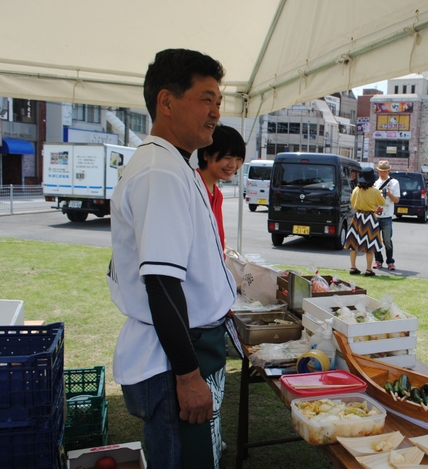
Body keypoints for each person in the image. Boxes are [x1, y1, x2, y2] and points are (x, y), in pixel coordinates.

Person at [107, 49, 236, 469]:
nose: (216, 112)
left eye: (219, 101)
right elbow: (162, 282)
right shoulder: (160, 171)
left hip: (184, 349)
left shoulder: (174, 164)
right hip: (171, 359)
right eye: (206, 98)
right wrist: (187, 375)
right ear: (166, 101)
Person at [196, 125, 246, 251]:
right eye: (227, 158)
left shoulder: (217, 194)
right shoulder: (191, 188)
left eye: (239, 159)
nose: (233, 165)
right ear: (206, 154)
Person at [344, 167, 386, 276]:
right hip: (370, 218)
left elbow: (352, 203)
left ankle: (353, 267)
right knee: (370, 245)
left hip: (357, 217)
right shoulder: (375, 191)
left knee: (353, 244)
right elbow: (382, 202)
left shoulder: (356, 190)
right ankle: (368, 270)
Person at [373, 160, 400, 270]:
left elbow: (397, 200)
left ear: (389, 171)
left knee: (387, 240)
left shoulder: (394, 183)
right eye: (380, 171)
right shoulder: (375, 183)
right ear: (377, 171)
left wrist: (388, 193)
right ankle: (378, 260)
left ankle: (390, 261)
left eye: (385, 171)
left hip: (387, 216)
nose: (382, 173)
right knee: (375, 240)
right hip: (376, 215)